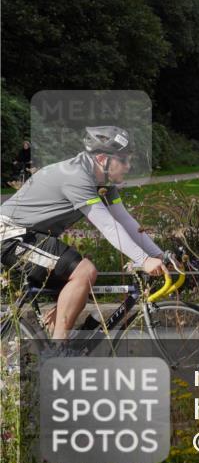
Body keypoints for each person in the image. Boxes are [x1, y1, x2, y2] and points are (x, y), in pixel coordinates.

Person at [0, 126, 171, 341]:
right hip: (11, 236)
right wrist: (143, 260)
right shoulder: (76, 176)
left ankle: (54, 346)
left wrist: (158, 255)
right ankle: (59, 356)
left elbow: (124, 220)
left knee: (80, 287)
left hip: (33, 235)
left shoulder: (103, 182)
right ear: (102, 159)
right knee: (85, 271)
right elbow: (108, 225)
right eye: (125, 160)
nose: (128, 167)